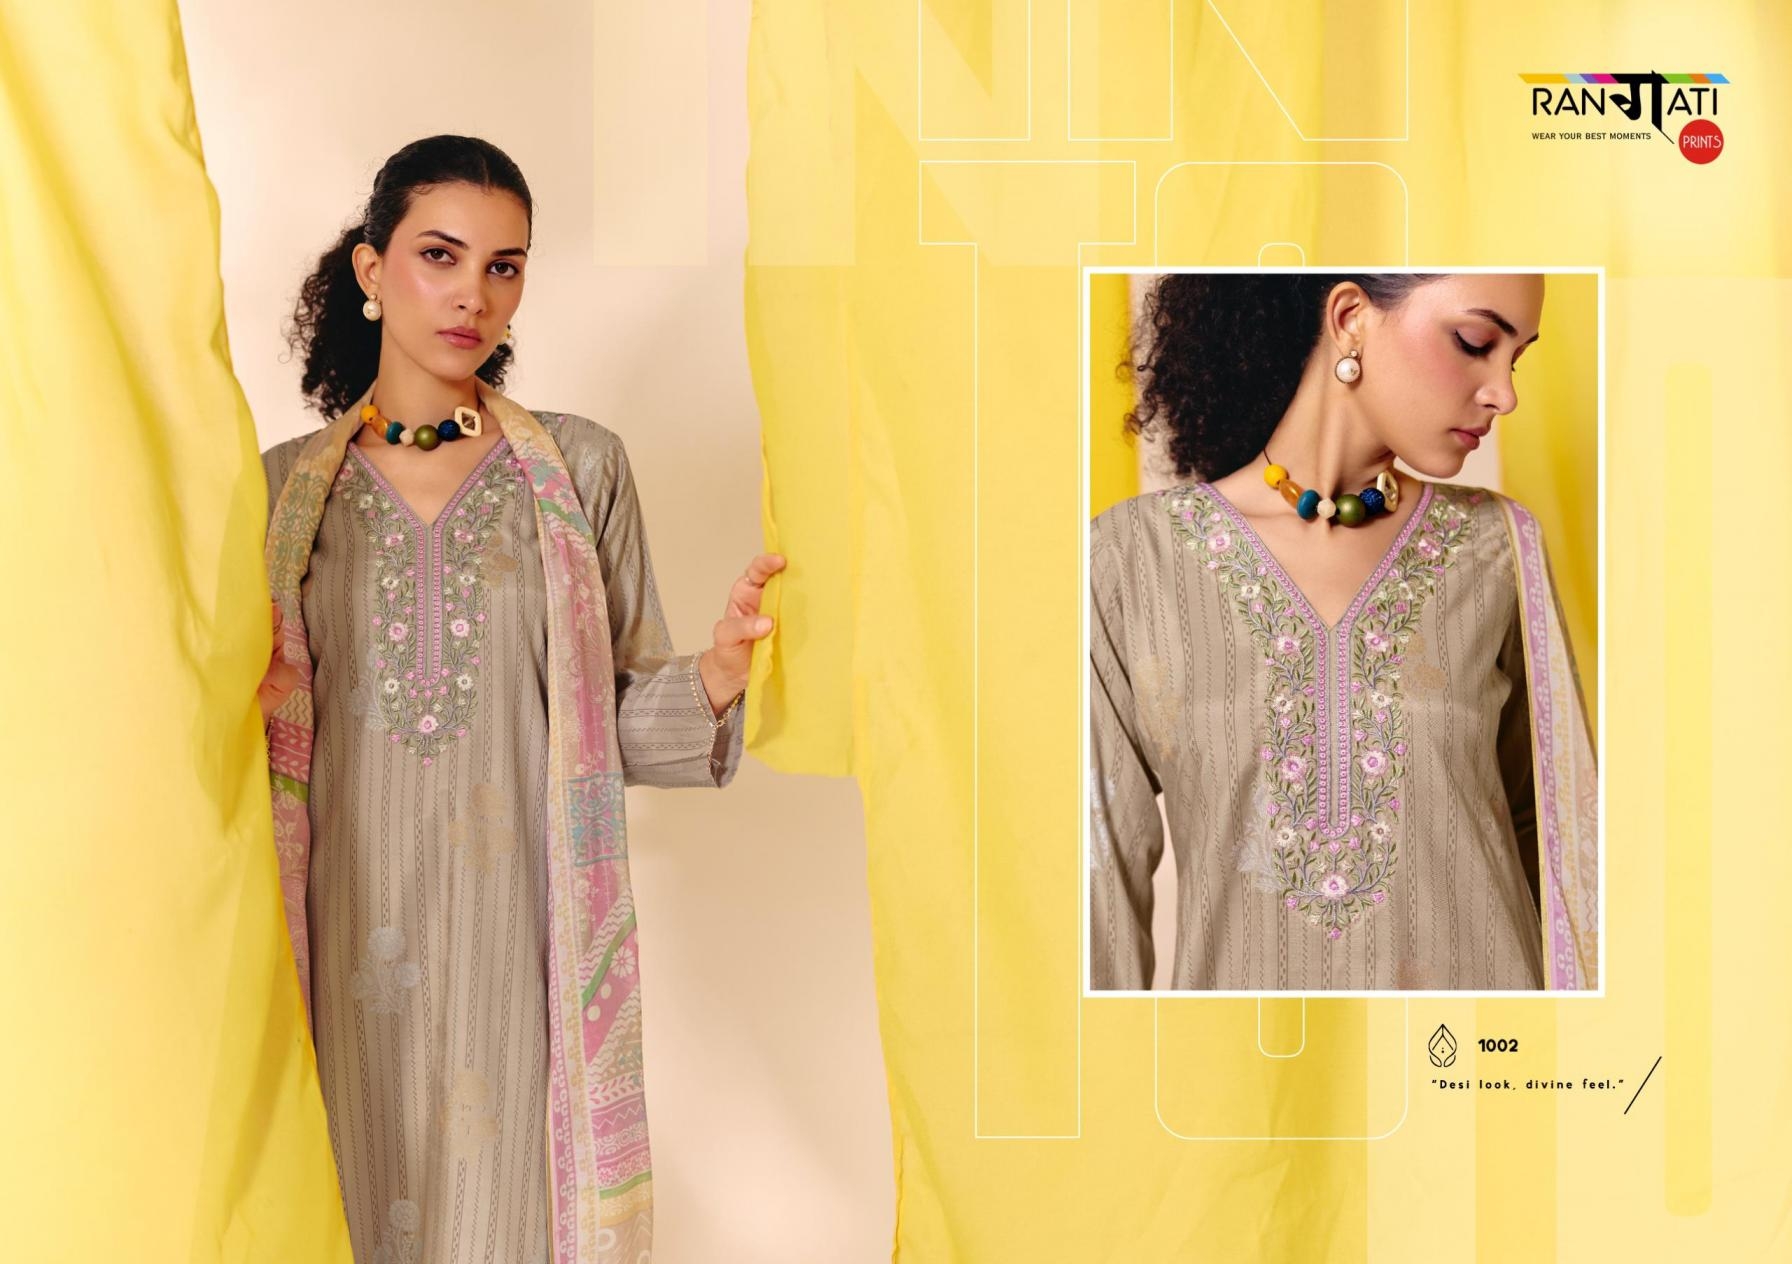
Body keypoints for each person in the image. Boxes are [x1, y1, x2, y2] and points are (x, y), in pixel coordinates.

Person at [256, 134, 783, 1262]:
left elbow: (617, 718)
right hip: (339, 939)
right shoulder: (278, 494)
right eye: (440, 256)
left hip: (520, 950)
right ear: (371, 268)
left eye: (504, 266)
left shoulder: (578, 471)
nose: (473, 295)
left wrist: (720, 672)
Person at [1088, 272, 1596, 993]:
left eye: (1516, 359)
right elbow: (1097, 888)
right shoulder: (1131, 559)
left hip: (1475, 1053)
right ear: (1351, 318)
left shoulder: (1498, 546)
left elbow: (1559, 850)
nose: (1504, 394)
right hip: (1252, 1057)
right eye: (1475, 341)